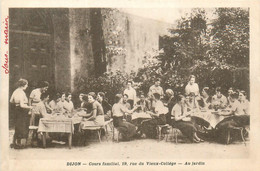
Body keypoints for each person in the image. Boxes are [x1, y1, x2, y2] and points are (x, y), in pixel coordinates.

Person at [10, 79, 33, 149]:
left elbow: (11, 100)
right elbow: (22, 105)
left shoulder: (15, 91)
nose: (27, 86)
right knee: (22, 127)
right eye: (26, 84)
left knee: (18, 126)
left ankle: (14, 142)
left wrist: (16, 104)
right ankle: (19, 144)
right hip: (22, 111)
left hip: (17, 110)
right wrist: (30, 107)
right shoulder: (21, 92)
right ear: (23, 85)